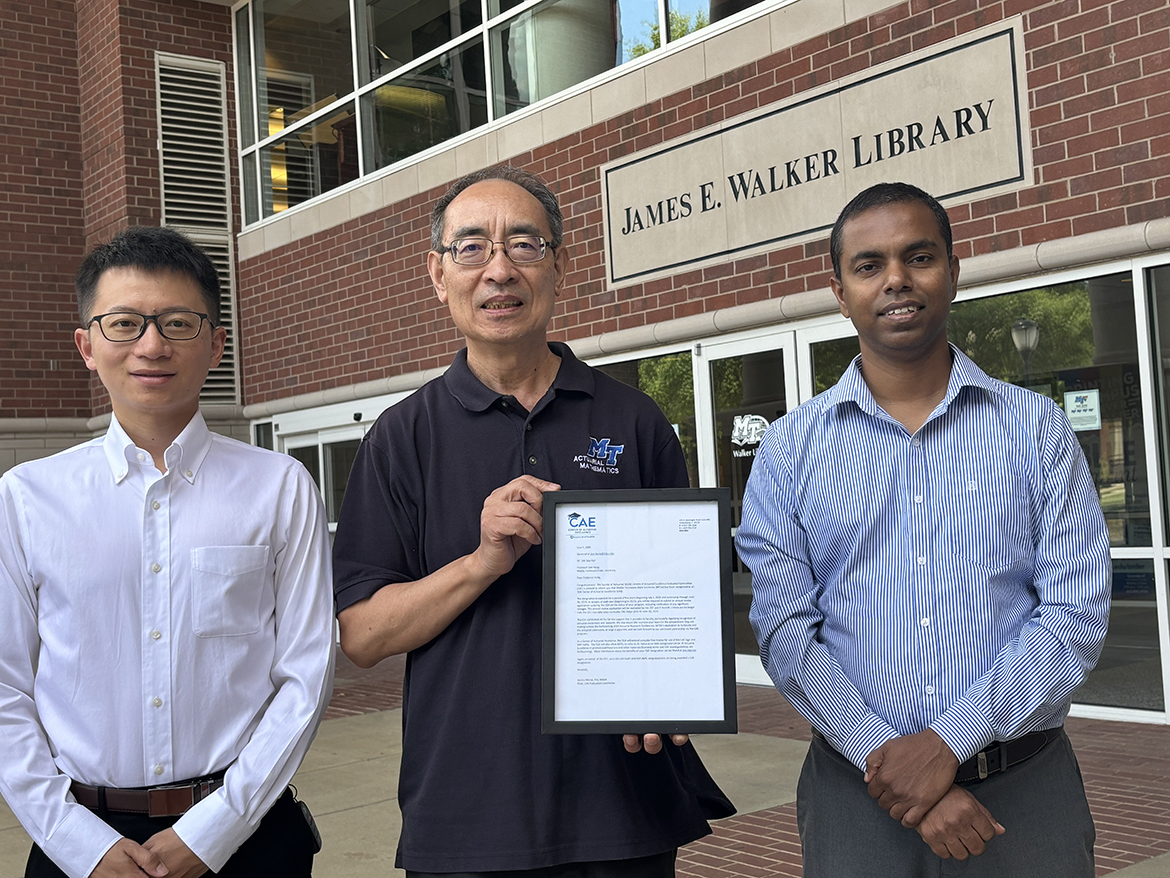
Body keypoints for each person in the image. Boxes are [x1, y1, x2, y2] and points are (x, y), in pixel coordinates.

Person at [332, 165, 731, 878]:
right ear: (437, 272)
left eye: (524, 244)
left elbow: (679, 606)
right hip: (466, 813)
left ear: (559, 266)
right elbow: (362, 635)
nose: (499, 270)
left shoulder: (631, 420)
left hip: (623, 810)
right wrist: (481, 561)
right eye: (471, 248)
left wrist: (670, 689)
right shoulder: (402, 436)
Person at [735, 182, 1111, 877]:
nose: (897, 280)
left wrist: (946, 743)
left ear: (953, 271)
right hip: (855, 798)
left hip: (1025, 795)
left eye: (919, 256)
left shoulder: (1035, 429)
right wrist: (896, 764)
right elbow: (786, 632)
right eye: (869, 264)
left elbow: (1073, 617)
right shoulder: (791, 450)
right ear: (840, 292)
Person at [0, 227, 335, 878]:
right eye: (124, 323)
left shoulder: (279, 487)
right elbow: (5, 684)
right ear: (87, 346)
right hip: (81, 843)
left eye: (177, 323)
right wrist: (75, 840)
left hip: (247, 840)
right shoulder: (26, 498)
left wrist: (216, 829)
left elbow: (306, 675)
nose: (151, 345)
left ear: (215, 345)